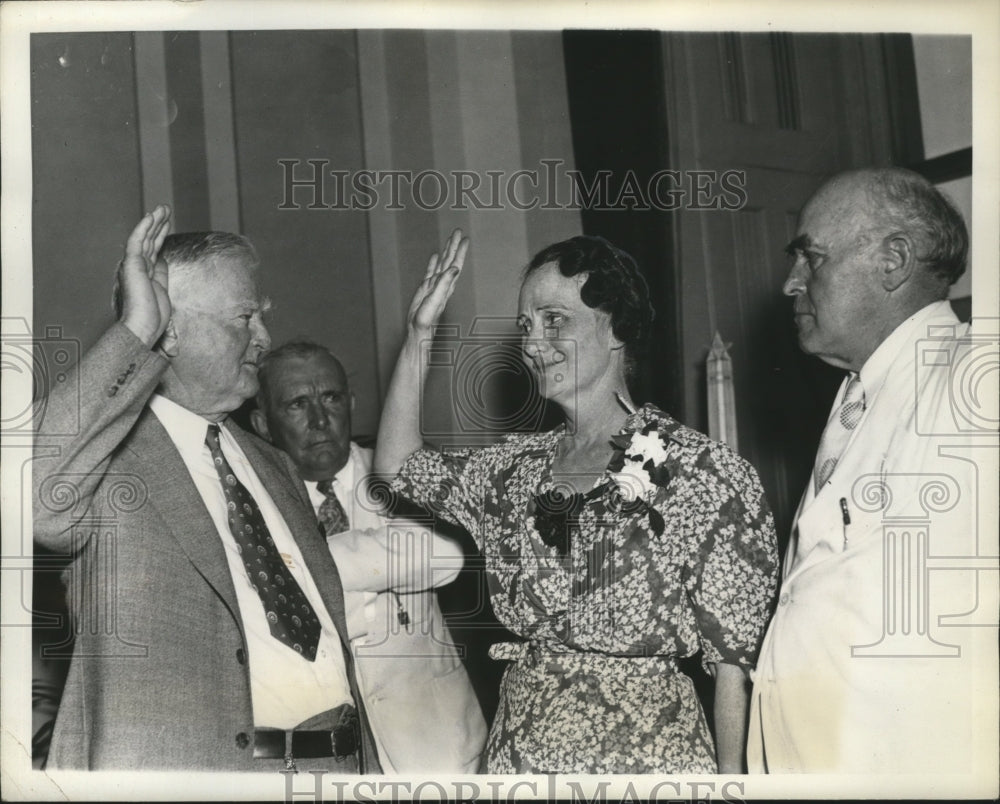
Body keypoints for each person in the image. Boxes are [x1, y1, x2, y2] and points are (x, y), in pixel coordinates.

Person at [373, 232, 779, 774]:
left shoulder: (701, 473)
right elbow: (396, 467)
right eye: (525, 326)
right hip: (521, 758)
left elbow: (736, 671)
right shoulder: (515, 471)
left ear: (615, 328)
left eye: (554, 320)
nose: (532, 344)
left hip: (647, 767)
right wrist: (419, 335)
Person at [31, 207, 387, 771]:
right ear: (171, 327)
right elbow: (35, 498)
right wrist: (136, 331)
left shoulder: (273, 465)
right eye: (245, 317)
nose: (264, 339)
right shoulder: (109, 462)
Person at [748, 167, 994, 773]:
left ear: (894, 261)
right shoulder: (856, 395)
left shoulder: (974, 382)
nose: (790, 283)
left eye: (811, 258)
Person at [250, 341, 487, 772]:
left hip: (438, 747)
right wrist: (385, 550)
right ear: (263, 424)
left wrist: (303, 559)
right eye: (297, 404)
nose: (320, 420)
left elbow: (447, 554)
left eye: (332, 398)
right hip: (335, 760)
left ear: (352, 402)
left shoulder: (400, 471)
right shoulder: (257, 506)